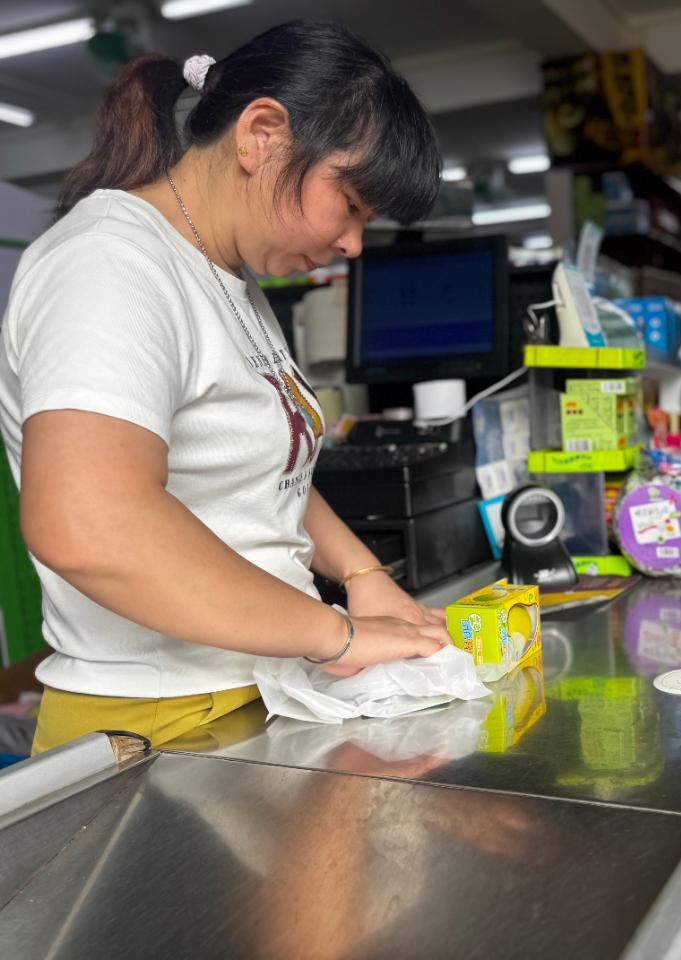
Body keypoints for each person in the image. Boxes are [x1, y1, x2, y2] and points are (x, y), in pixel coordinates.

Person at [1, 22, 457, 754]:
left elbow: (262, 472)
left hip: (252, 690)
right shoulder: (110, 266)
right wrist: (335, 635)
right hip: (156, 721)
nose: (352, 244)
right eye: (351, 205)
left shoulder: (233, 280)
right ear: (262, 134)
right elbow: (86, 521)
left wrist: (361, 573)